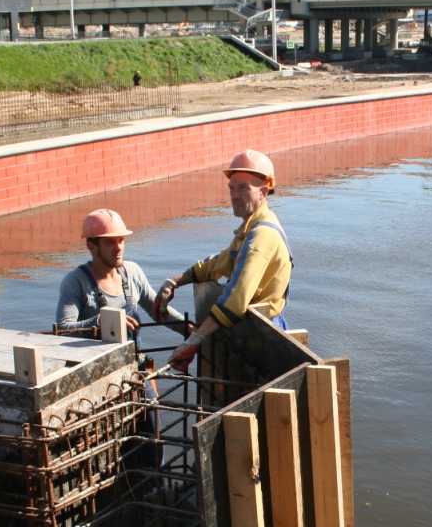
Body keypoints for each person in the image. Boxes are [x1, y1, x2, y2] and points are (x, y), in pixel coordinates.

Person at [154, 149, 292, 371]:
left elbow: (236, 298)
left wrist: (195, 339)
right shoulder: (249, 231)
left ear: (263, 192)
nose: (235, 195)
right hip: (252, 332)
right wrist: (173, 282)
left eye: (243, 188)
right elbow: (218, 263)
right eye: (232, 188)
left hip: (267, 336)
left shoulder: (262, 236)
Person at [55, 208, 189, 340]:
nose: (119, 248)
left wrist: (189, 329)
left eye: (121, 241)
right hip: (96, 358)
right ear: (92, 246)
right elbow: (63, 330)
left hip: (132, 357)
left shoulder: (132, 272)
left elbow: (158, 309)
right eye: (110, 242)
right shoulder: (76, 281)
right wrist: (103, 321)